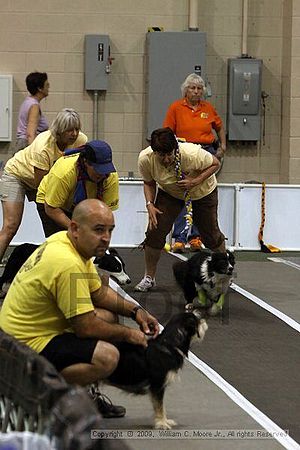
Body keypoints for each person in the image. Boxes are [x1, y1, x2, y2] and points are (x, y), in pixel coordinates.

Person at [0, 199, 160, 417]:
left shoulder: (64, 242)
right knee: (108, 357)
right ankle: (39, 395)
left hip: (19, 337)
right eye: (98, 230)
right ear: (75, 228)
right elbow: (86, 327)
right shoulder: (66, 262)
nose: (106, 238)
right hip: (21, 349)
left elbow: (99, 292)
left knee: (108, 317)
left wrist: (136, 312)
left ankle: (80, 392)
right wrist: (130, 334)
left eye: (109, 231)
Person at [134, 127, 225, 292]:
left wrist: (195, 180)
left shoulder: (191, 154)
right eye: (162, 155)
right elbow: (149, 182)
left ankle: (224, 271)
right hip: (170, 193)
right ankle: (149, 277)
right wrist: (150, 205)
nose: (167, 159)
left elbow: (215, 163)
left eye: (170, 154)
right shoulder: (145, 159)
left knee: (211, 235)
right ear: (154, 153)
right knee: (155, 231)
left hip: (202, 192)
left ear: (175, 148)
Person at [0, 108, 87, 263]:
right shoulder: (43, 146)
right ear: (59, 131)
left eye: (77, 129)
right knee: (10, 226)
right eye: (69, 130)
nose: (74, 134)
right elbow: (43, 187)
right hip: (17, 175)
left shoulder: (81, 141)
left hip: (45, 181)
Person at [163, 73, 227, 253]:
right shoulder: (175, 107)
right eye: (192, 88)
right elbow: (167, 131)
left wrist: (222, 146)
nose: (196, 91)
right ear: (186, 90)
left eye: (199, 89)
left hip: (206, 152)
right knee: (183, 192)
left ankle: (196, 238)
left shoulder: (208, 108)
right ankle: (179, 237)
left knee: (202, 194)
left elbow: (219, 127)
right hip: (184, 152)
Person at [36, 140, 119, 237]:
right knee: (65, 241)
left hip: (81, 206)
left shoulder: (110, 176)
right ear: (86, 162)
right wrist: (77, 230)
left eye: (105, 169)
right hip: (52, 204)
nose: (102, 174)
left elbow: (105, 212)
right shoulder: (64, 173)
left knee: (89, 242)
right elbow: (51, 208)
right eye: (98, 169)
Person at [16, 72, 49, 152]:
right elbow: (30, 134)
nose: (48, 87)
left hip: (23, 144)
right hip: (26, 145)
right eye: (46, 85)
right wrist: (33, 154)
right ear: (40, 88)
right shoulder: (34, 106)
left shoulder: (28, 102)